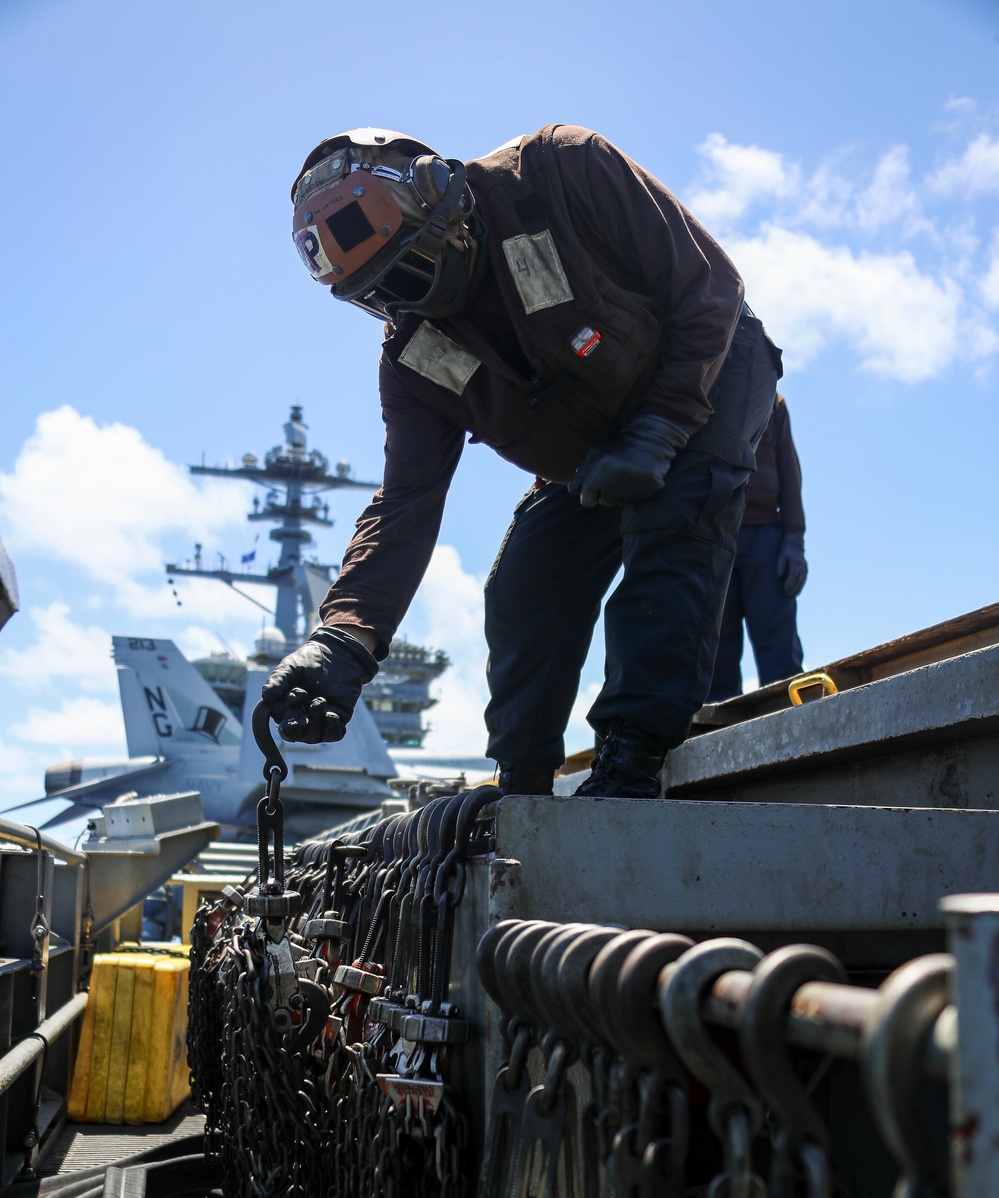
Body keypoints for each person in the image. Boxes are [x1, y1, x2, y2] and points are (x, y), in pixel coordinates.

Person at [261, 125, 780, 797]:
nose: (405, 304)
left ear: (447, 210)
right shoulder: (414, 357)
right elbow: (405, 504)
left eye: (410, 273)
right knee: (524, 584)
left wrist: (659, 429)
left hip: (708, 370)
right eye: (380, 297)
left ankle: (631, 760)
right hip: (594, 450)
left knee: (674, 526)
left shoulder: (561, 172)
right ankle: (523, 782)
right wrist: (343, 640)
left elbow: (709, 286)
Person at [707, 392, 806, 701]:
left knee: (781, 660)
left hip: (766, 540)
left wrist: (794, 540)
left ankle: (794, 735)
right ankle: (717, 740)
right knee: (714, 659)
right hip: (710, 539)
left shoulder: (773, 401)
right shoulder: (702, 379)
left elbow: (790, 472)